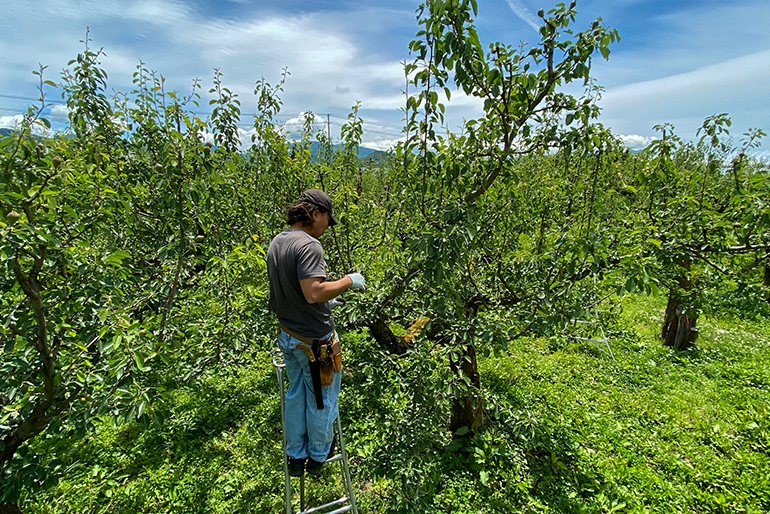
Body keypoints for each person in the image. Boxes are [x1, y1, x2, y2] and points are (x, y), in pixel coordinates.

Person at [267, 188, 366, 477]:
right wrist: (348, 280)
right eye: (327, 219)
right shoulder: (309, 246)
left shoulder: (278, 241)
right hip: (315, 342)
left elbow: (290, 291)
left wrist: (327, 298)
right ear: (314, 213)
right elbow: (312, 292)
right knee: (322, 399)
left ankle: (295, 455)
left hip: (288, 335)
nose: (327, 226)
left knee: (296, 394)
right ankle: (319, 455)